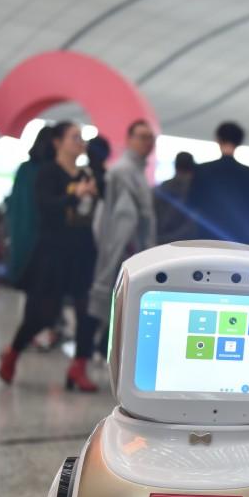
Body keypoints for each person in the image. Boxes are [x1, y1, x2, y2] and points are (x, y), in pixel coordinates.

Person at [0, 121, 101, 392]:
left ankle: (79, 366)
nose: (80, 142)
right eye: (74, 137)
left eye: (82, 138)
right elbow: (46, 206)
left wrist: (91, 191)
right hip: (53, 252)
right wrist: (75, 195)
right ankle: (13, 353)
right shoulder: (47, 172)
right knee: (42, 314)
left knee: (87, 312)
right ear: (58, 142)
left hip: (82, 250)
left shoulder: (86, 173)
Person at [88, 120, 157, 336]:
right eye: (142, 137)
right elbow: (119, 219)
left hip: (129, 253)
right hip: (124, 254)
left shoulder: (136, 170)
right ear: (129, 139)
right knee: (117, 316)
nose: (147, 143)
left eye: (150, 138)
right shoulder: (123, 171)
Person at [187, 121, 249, 244]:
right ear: (240, 142)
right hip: (242, 238)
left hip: (208, 237)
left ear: (218, 140)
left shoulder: (202, 170)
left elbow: (191, 203)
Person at [6, 126, 54, 287]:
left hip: (22, 234)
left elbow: (13, 206)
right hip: (41, 239)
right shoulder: (50, 171)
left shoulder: (25, 169)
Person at [155, 152, 196, 244]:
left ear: (175, 166)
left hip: (159, 243)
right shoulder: (196, 190)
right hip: (185, 244)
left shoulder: (162, 187)